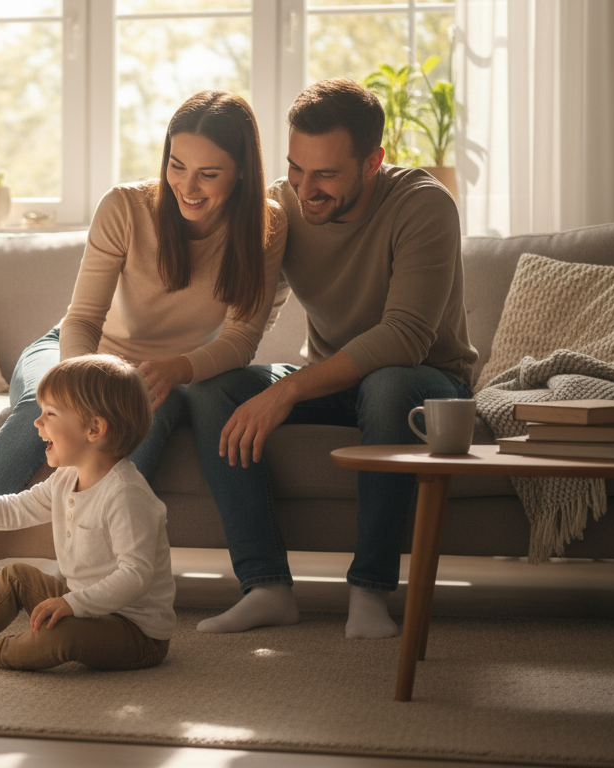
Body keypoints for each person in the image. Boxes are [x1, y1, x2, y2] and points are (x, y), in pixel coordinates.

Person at [0, 90, 289, 630]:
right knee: (43, 405)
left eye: (208, 174)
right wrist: (80, 386)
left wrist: (176, 369)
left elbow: (242, 339)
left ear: (242, 173)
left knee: (128, 432)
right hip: (76, 349)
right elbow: (82, 320)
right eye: (177, 165)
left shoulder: (266, 225)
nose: (187, 187)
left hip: (165, 372)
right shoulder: (126, 206)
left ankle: (82, 589)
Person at [186, 78, 478, 639]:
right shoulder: (280, 203)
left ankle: (369, 594)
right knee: (212, 390)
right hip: (335, 382)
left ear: (374, 161)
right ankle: (266, 587)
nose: (305, 188)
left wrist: (289, 390)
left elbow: (406, 336)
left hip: (427, 383)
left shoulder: (423, 205)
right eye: (297, 168)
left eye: (325, 174)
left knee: (387, 385)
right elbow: (248, 317)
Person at [0, 354, 175, 670]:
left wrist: (71, 603)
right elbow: (18, 507)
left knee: (61, 638)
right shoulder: (67, 478)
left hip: (135, 630)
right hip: (81, 603)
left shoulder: (126, 495)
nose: (37, 423)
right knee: (15, 576)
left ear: (94, 428)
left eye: (50, 414)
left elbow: (136, 575)